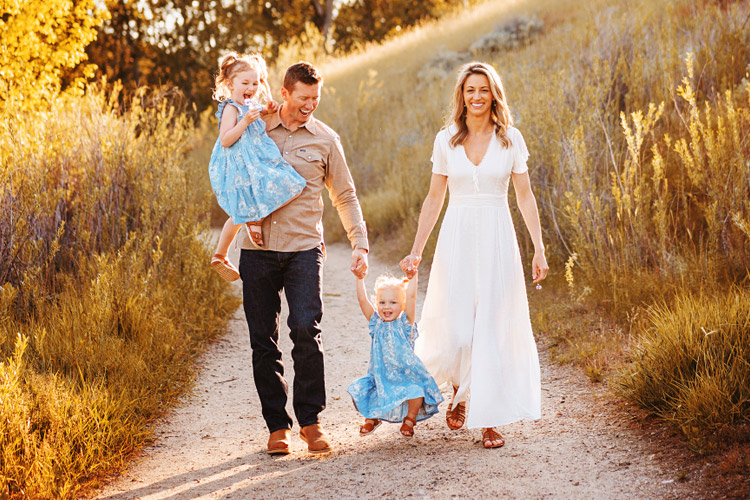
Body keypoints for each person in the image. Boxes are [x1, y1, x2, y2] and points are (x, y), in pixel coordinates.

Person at [400, 62, 548, 449]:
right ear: (461, 96)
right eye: (470, 90)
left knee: (493, 325)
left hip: (498, 237)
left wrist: (539, 247)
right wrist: (416, 250)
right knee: (458, 324)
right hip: (458, 237)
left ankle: (489, 418)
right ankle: (460, 393)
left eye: (484, 89)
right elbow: (434, 198)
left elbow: (525, 196)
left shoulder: (510, 139)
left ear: (493, 94)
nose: (477, 96)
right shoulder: (446, 139)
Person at [237, 61, 369, 455]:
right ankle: (277, 427)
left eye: (316, 98)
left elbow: (344, 195)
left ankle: (311, 422)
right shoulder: (256, 128)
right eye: (304, 97)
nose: (311, 104)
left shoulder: (326, 139)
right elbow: (233, 171)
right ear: (285, 93)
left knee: (305, 331)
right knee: (263, 339)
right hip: (257, 251)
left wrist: (358, 241)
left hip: (304, 250)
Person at [208, 52, 306, 281]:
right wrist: (246, 121)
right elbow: (226, 139)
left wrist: (267, 109)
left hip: (253, 162)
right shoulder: (231, 108)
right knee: (242, 209)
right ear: (231, 85)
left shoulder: (248, 105)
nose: (251, 87)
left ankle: (251, 226)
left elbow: (257, 112)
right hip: (240, 165)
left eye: (255, 82)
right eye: (245, 83)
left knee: (280, 186)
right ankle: (222, 253)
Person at [347, 273, 444, 438]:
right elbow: (363, 300)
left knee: (416, 392)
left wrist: (413, 276)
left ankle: (409, 420)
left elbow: (412, 297)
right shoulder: (375, 323)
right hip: (381, 377)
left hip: (406, 377)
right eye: (382, 302)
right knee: (373, 394)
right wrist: (359, 278)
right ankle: (372, 418)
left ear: (403, 304)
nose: (386, 307)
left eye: (393, 302)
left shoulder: (406, 324)